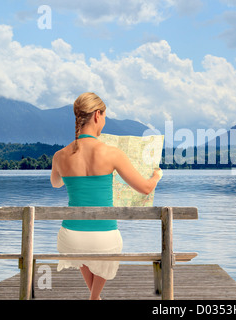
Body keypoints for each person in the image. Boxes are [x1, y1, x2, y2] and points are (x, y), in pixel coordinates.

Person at [50, 92, 162, 300]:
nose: (104, 122)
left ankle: (95, 298)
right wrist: (156, 176)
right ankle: (94, 298)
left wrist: (73, 174)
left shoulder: (60, 155)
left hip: (70, 238)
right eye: (104, 117)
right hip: (105, 238)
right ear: (97, 115)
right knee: (103, 243)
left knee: (81, 246)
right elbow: (145, 188)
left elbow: (56, 184)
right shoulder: (112, 154)